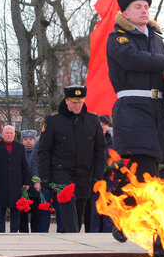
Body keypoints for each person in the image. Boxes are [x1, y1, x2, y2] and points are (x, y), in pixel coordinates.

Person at [106, 0, 164, 242]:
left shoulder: (156, 38)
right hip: (133, 108)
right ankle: (150, 222)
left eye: (146, 6)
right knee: (146, 166)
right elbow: (133, 60)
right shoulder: (118, 37)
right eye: (138, 6)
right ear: (125, 12)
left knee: (148, 168)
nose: (143, 10)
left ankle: (124, 216)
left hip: (156, 111)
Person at [37, 86, 106, 234]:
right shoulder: (53, 120)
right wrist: (45, 176)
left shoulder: (93, 120)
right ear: (67, 101)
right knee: (68, 201)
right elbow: (43, 150)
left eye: (80, 102)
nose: (78, 105)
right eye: (74, 102)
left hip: (84, 172)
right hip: (61, 170)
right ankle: (74, 239)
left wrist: (98, 176)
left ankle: (67, 239)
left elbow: (100, 150)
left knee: (79, 209)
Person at [0, 125, 30, 233]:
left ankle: (14, 232)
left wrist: (26, 182)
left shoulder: (20, 147)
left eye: (11, 133)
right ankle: (0, 233)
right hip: (0, 184)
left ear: (14, 134)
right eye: (7, 133)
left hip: (16, 184)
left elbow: (24, 166)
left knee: (16, 210)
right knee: (0, 210)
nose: (9, 135)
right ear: (2, 134)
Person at [19, 129, 49, 233]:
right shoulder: (18, 152)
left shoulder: (39, 153)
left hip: (37, 189)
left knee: (36, 214)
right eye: (25, 139)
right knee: (22, 214)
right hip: (23, 189)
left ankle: (36, 233)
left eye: (31, 139)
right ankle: (23, 232)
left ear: (35, 140)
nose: (28, 141)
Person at [89, 116, 115, 232]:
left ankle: (107, 234)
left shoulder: (113, 142)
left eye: (104, 124)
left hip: (110, 181)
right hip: (95, 181)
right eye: (99, 125)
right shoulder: (89, 141)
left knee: (108, 212)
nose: (102, 127)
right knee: (95, 212)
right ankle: (94, 235)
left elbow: (117, 160)